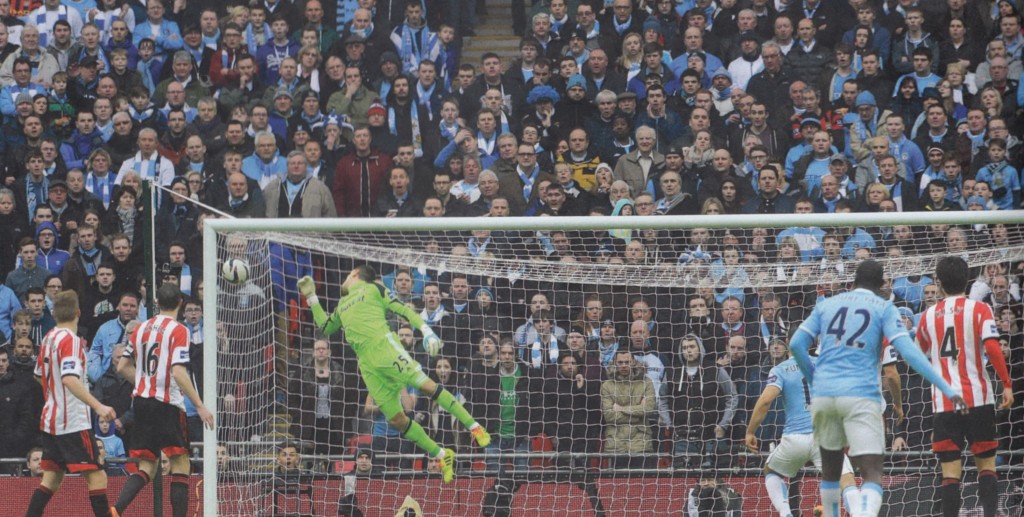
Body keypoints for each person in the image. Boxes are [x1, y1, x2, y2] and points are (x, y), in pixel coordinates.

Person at [790, 259, 966, 517]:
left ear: (853, 282)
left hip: (825, 394)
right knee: (871, 472)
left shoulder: (826, 305)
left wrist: (814, 378)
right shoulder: (884, 308)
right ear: (883, 285)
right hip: (861, 394)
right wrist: (946, 387)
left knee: (831, 472)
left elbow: (796, 344)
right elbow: (910, 353)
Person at [297, 265, 490, 483]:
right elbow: (325, 327)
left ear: (355, 274)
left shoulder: (374, 288)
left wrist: (426, 330)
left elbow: (403, 310)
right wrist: (311, 297)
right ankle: (442, 454)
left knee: (427, 386)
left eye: (347, 275)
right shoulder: (342, 304)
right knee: (397, 420)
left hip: (387, 350)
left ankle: (475, 427)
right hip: (368, 366)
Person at [917, 256, 1014, 517]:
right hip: (978, 399)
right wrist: (1006, 384)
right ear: (968, 279)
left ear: (939, 282)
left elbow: (918, 354)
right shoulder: (980, 309)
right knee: (987, 466)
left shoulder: (927, 316)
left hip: (945, 403)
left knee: (950, 472)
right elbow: (992, 347)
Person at [112, 284, 214, 517]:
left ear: (157, 302)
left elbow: (122, 366)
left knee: (147, 466)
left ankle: (116, 510)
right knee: (181, 463)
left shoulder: (140, 328)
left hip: (141, 403)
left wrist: (144, 382)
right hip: (167, 404)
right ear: (180, 303)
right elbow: (178, 371)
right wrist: (200, 406)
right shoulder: (179, 330)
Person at [24, 290, 116, 517]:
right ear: (78, 312)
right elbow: (69, 379)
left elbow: (38, 375)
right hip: (72, 421)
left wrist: (54, 394)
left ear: (54, 314)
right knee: (97, 477)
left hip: (51, 420)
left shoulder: (49, 338)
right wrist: (99, 406)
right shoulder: (71, 341)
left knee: (51, 479)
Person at [746, 339, 860, 517]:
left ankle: (785, 513)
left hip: (794, 439)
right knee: (846, 481)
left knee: (770, 470)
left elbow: (766, 401)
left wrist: (750, 431)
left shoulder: (780, 369)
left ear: (788, 343)